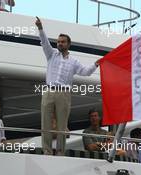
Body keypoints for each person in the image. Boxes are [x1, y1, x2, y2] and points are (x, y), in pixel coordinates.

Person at [35, 17, 99, 156]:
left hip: (64, 94)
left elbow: (86, 72)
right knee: (45, 122)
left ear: (68, 44)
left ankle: (60, 151)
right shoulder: (51, 55)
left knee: (62, 125)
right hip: (49, 90)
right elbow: (45, 43)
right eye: (58, 41)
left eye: (62, 42)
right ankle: (46, 150)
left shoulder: (74, 61)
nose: (59, 44)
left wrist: (95, 64)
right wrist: (40, 28)